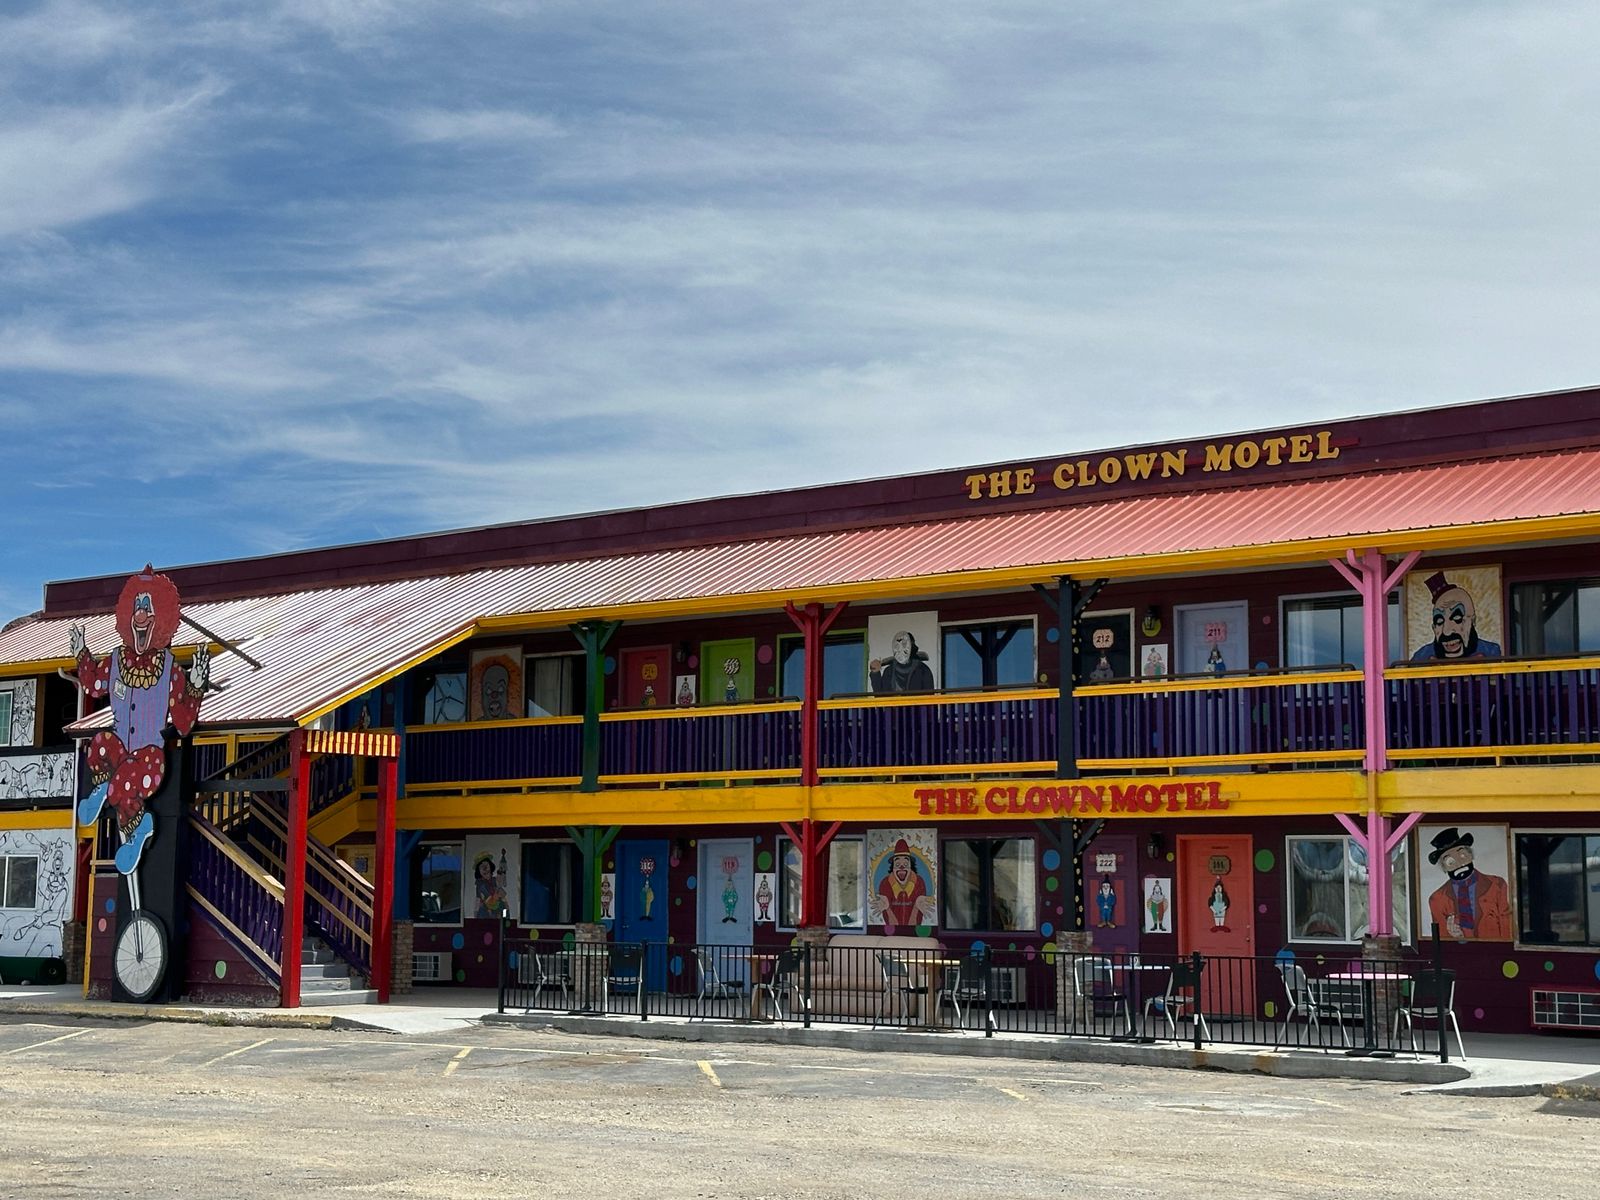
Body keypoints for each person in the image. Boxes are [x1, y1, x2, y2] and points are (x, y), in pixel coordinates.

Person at [1426, 827, 1511, 940]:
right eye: (1450, 862)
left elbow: (1508, 928)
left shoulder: (1497, 884)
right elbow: (1441, 940)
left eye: (1462, 855)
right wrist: (1456, 938)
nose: (1459, 864)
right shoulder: (1437, 899)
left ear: (1470, 855)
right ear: (1444, 867)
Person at [1412, 572, 1502, 660]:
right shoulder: (1421, 656)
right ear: (1434, 628)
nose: (1447, 632)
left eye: (1457, 618)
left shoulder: (1491, 651)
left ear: (1472, 621)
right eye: (1439, 622)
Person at [870, 839, 934, 927]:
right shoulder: (885, 884)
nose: (901, 867)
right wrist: (887, 908)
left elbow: (913, 927)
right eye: (897, 864)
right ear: (893, 868)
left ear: (910, 867)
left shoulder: (919, 883)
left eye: (906, 864)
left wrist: (916, 907)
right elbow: (893, 927)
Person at [869, 631, 935, 693]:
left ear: (911, 646)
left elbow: (929, 696)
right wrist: (875, 673)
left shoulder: (923, 670)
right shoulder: (889, 671)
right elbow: (880, 694)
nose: (900, 649)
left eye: (904, 644)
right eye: (897, 646)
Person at [474, 850, 508, 919]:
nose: (485, 869)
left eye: (486, 866)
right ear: (479, 871)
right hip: (486, 913)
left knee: (503, 908)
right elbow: (478, 899)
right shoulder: (480, 884)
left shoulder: (495, 880)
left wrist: (505, 916)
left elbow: (504, 897)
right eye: (481, 867)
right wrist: (475, 915)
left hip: (499, 912)